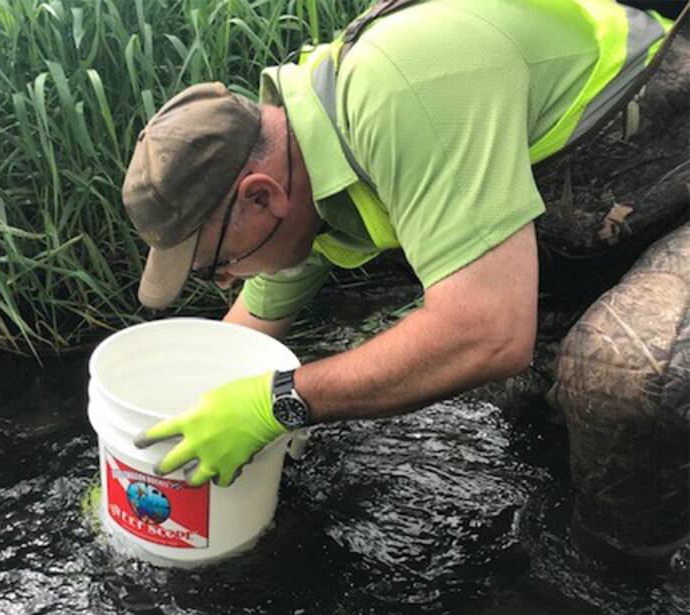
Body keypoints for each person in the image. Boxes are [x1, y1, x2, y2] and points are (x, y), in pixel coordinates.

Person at [121, 0, 686, 493]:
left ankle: (614, 577)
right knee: (521, 407)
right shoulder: (297, 156)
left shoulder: (400, 94)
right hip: (607, 229)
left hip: (673, 168)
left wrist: (280, 403)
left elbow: (488, 334)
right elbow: (238, 345)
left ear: (261, 198)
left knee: (619, 378)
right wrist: (139, 468)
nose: (224, 282)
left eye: (216, 265)